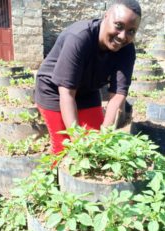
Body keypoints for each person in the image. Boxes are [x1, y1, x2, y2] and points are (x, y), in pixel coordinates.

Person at [35, 0, 142, 153]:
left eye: (131, 31)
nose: (122, 36)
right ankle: (53, 175)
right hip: (54, 90)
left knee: (95, 141)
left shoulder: (127, 50)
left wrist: (105, 134)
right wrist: (77, 138)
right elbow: (66, 93)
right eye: (118, 26)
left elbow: (118, 95)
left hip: (88, 90)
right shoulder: (79, 38)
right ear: (106, 17)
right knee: (64, 147)